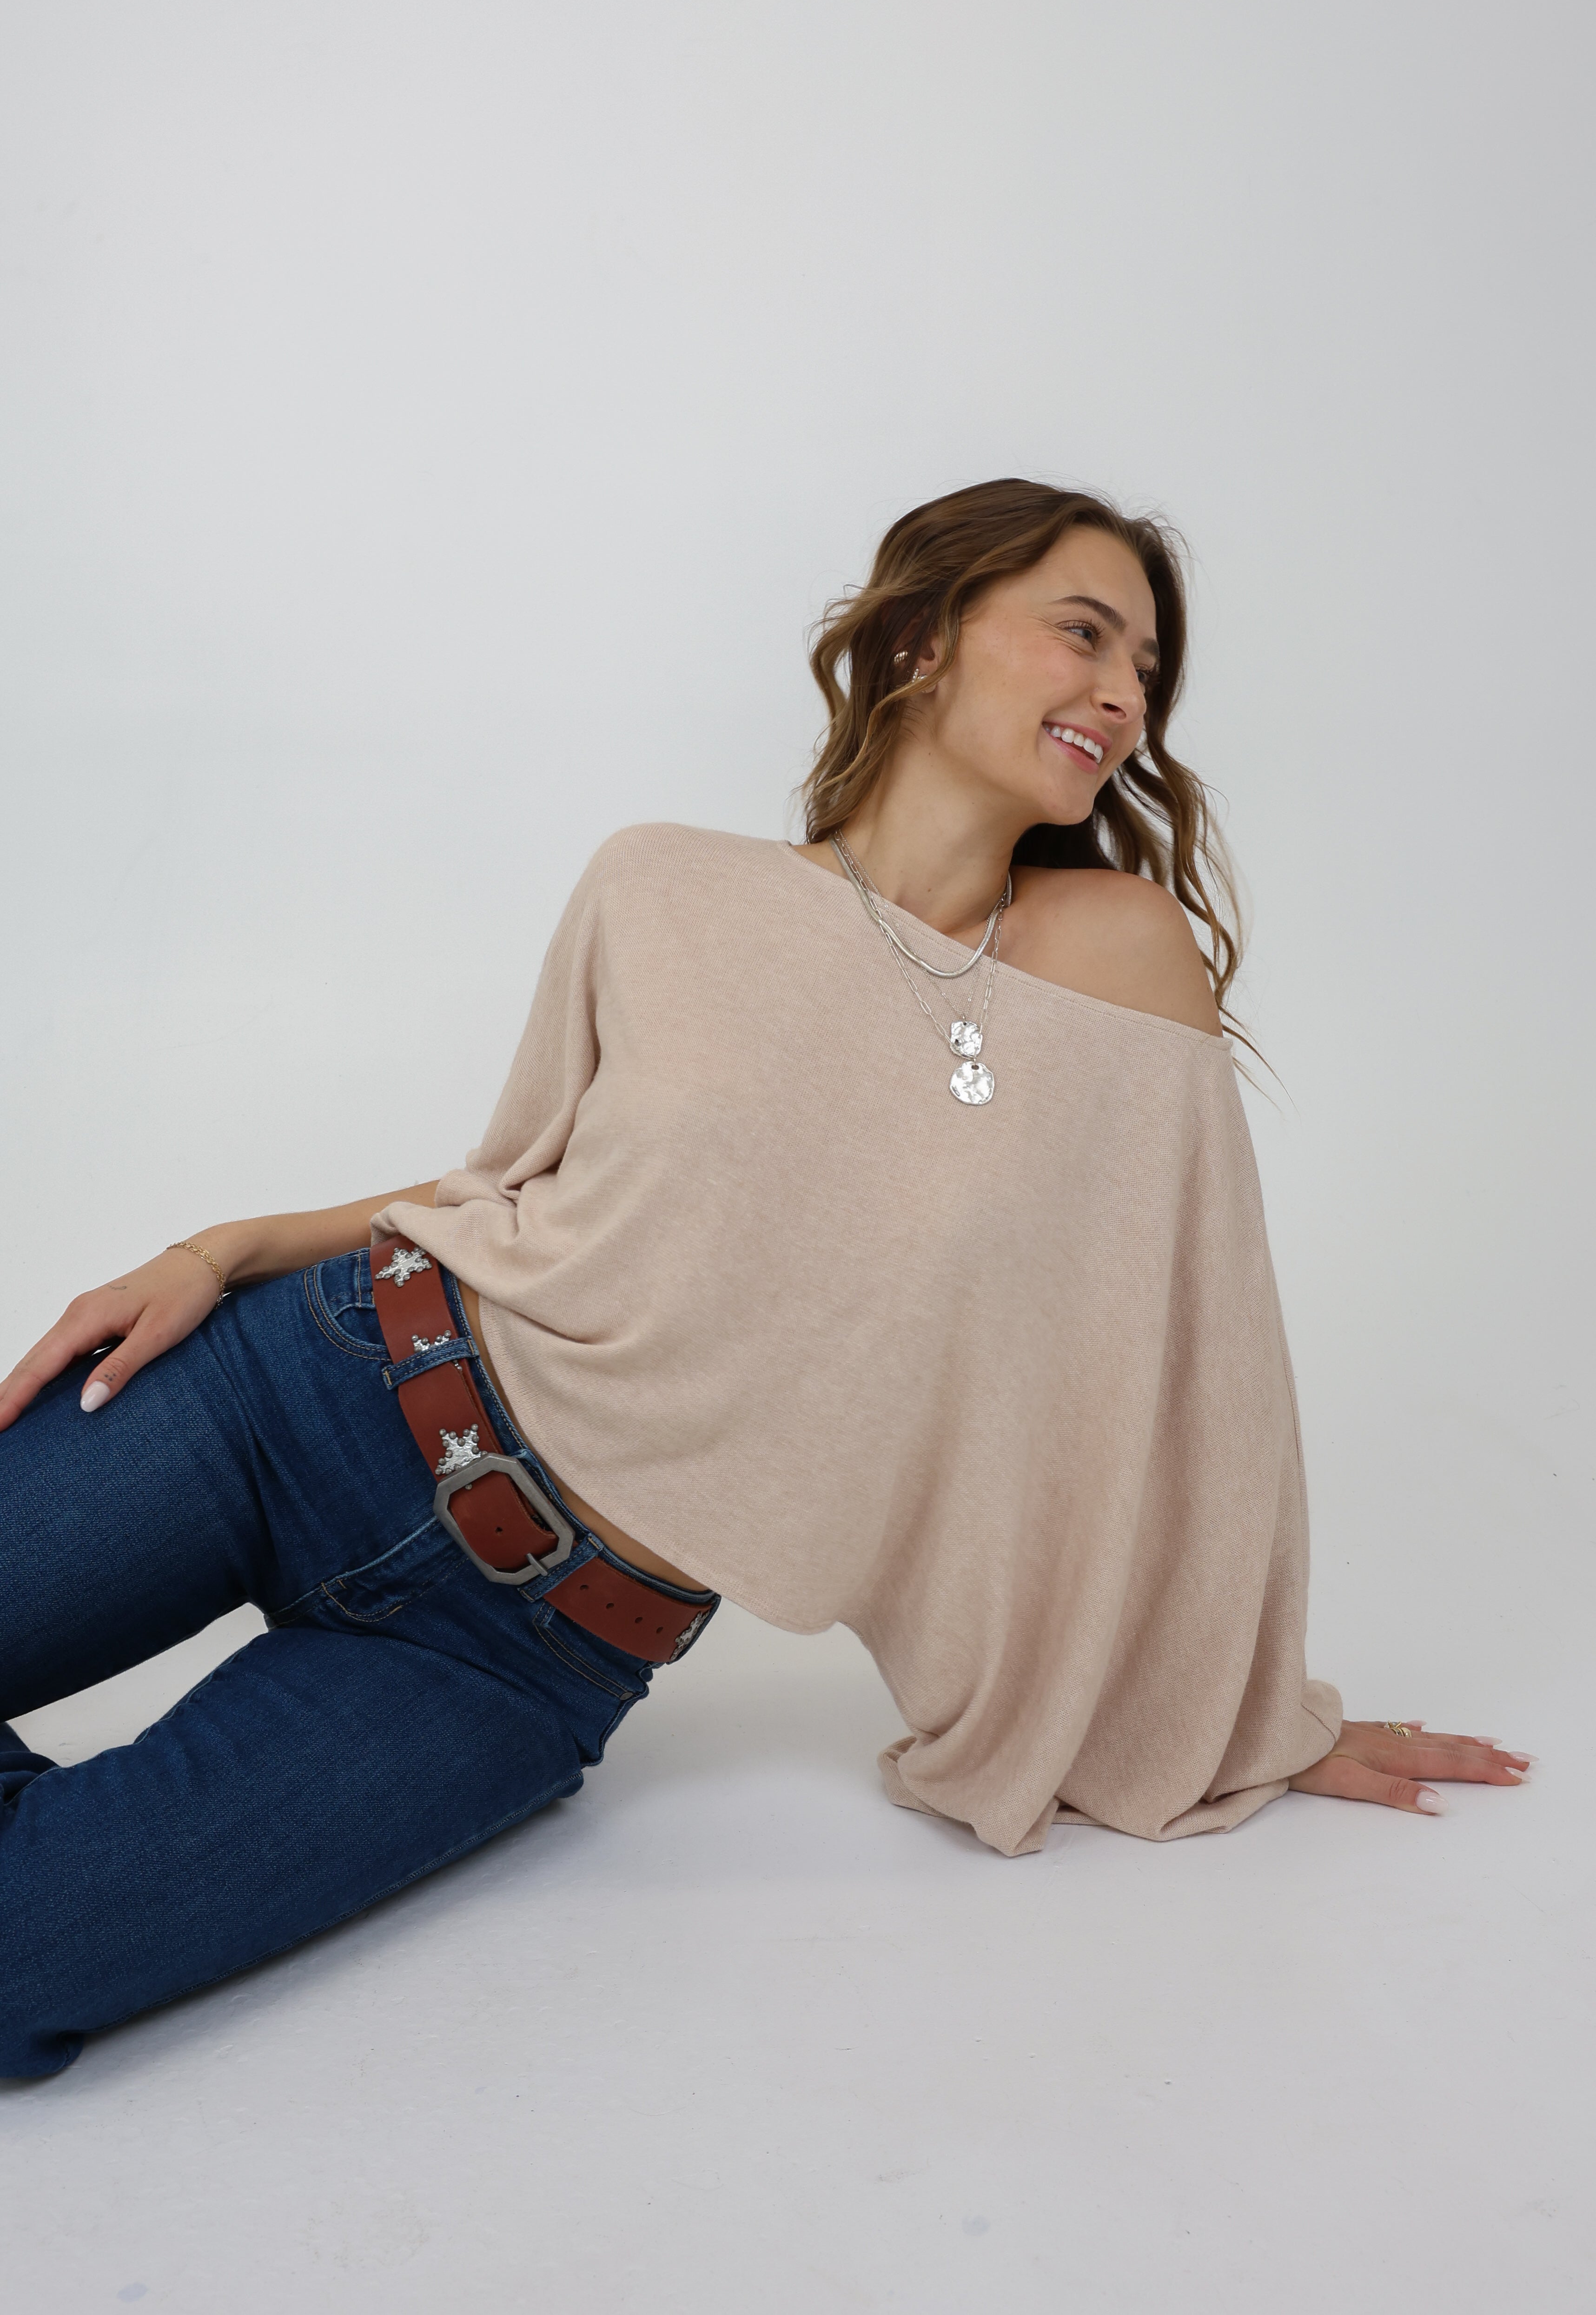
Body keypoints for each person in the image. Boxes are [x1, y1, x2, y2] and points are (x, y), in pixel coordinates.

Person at [0, 478, 1529, 2079]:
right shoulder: (660, 883)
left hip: (513, 1655)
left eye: (1147, 669)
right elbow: (523, 1183)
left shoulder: (1120, 960)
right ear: (927, 640)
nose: (1124, 694)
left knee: (26, 1958)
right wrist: (225, 1248)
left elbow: (1185, 1378)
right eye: (1083, 632)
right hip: (300, 1395)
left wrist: (1243, 1713)